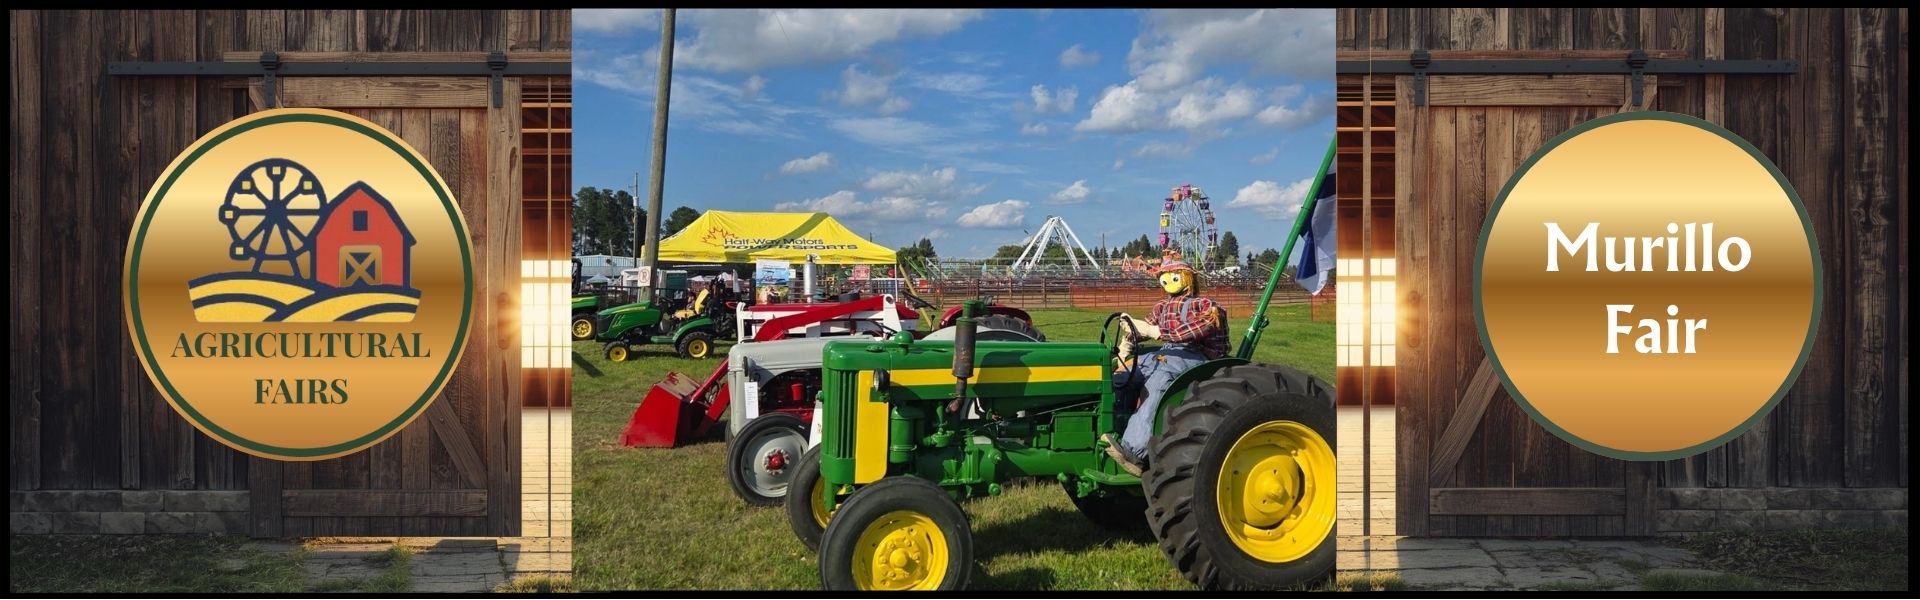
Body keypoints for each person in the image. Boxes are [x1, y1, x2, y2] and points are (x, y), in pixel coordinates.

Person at [1102, 252, 1229, 476]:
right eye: (1165, 276)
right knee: (1123, 375)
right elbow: (1141, 329)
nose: (1168, 280)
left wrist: (1154, 331)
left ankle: (1135, 452)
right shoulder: (1162, 307)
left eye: (1174, 275)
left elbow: (1193, 331)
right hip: (1165, 354)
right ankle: (1110, 428)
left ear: (1187, 277)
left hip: (1195, 358)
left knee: (1159, 383)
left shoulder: (1205, 305)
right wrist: (1126, 344)